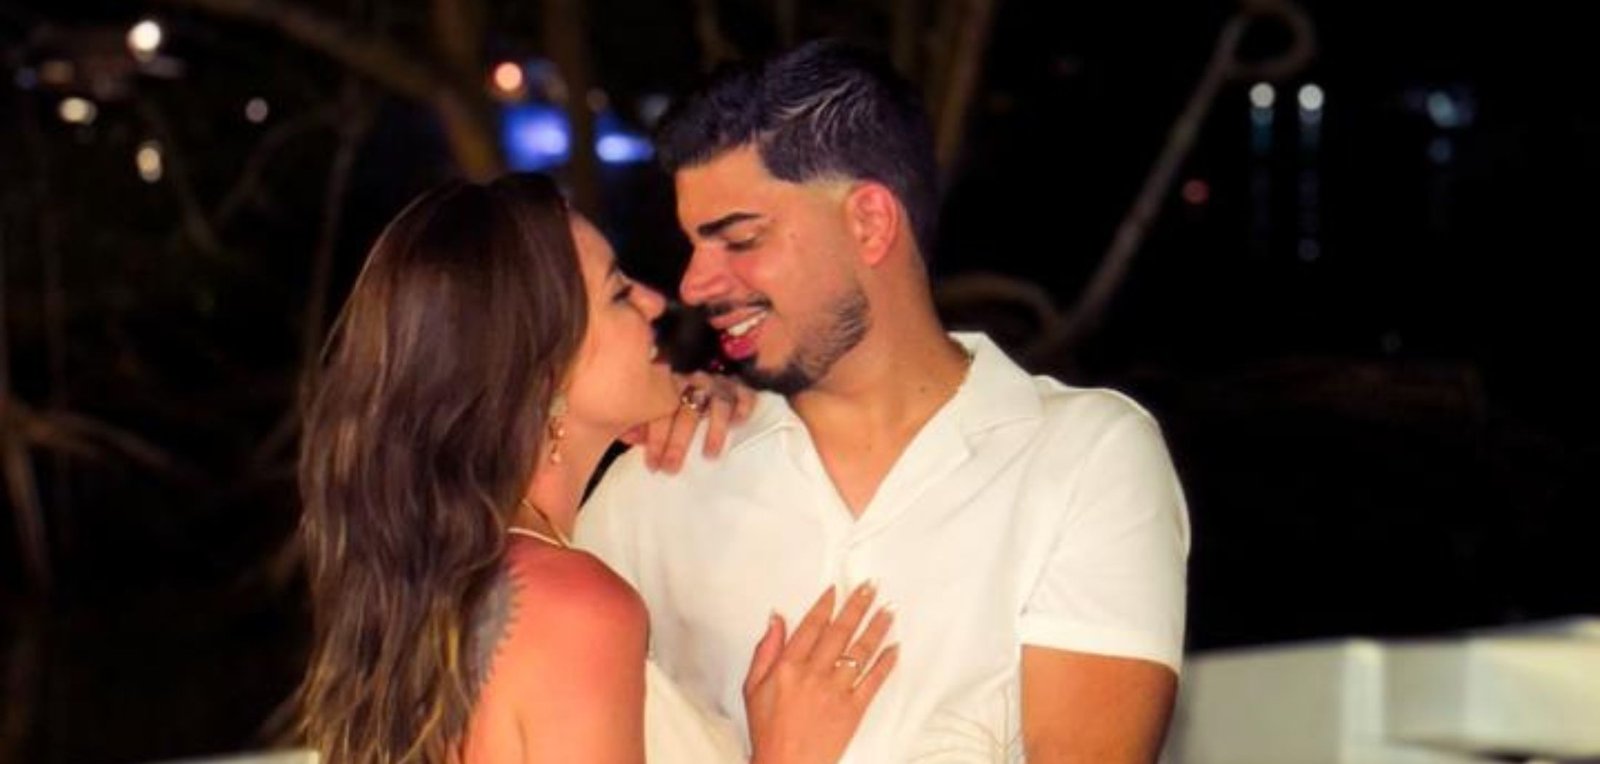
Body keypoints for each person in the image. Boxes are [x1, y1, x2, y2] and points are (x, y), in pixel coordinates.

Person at [577, 40, 1190, 763]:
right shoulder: (656, 483)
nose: (695, 283)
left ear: (869, 222)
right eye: (692, 245)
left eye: (739, 238)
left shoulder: (1084, 459)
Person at [294, 173, 897, 764]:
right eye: (617, 293)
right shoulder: (576, 609)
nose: (655, 300)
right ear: (545, 371)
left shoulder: (439, 598)